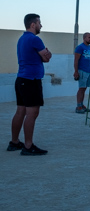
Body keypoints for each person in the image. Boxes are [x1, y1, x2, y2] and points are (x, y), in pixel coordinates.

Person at [8, 14, 52, 156]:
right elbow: (46, 58)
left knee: (20, 111)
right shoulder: (35, 39)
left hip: (21, 80)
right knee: (32, 113)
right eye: (39, 23)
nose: (41, 25)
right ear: (33, 24)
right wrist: (47, 54)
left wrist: (44, 56)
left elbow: (43, 59)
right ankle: (28, 146)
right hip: (31, 81)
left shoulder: (21, 39)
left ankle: (14, 142)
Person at [73, 32, 90, 113]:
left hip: (88, 71)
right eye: (89, 37)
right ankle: (78, 106)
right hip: (82, 71)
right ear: (84, 38)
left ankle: (82, 105)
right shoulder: (80, 47)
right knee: (81, 89)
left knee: (84, 89)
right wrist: (76, 71)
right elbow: (76, 60)